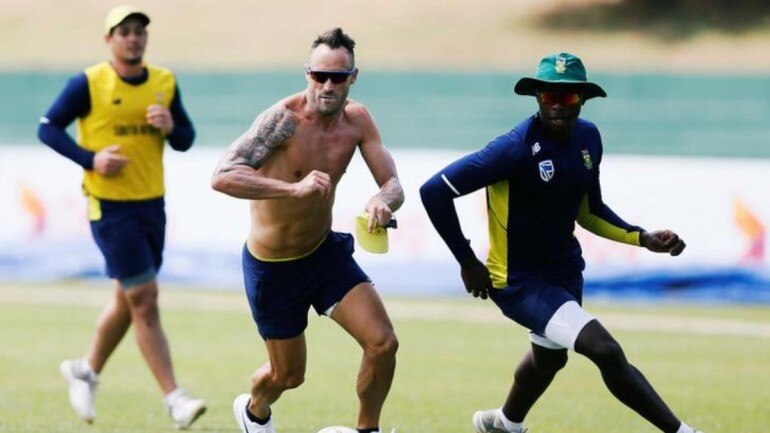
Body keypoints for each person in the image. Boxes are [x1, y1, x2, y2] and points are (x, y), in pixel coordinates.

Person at [420, 53, 704, 433]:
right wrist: (467, 260)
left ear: (583, 100)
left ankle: (504, 424)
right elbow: (434, 191)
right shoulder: (513, 148)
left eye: (568, 97)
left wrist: (642, 237)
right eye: (548, 95)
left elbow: (590, 211)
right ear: (537, 96)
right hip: (518, 281)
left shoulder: (588, 138)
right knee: (605, 350)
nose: (557, 104)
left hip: (565, 271)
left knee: (549, 360)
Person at [211, 28, 403, 433]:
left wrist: (381, 201)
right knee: (288, 377)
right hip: (274, 268)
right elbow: (222, 176)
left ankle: (368, 430)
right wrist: (291, 189)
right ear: (307, 74)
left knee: (383, 343)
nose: (328, 85)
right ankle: (253, 409)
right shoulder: (282, 120)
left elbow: (393, 184)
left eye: (338, 77)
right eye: (320, 76)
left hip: (323, 255)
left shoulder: (358, 120)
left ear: (354, 76)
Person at [37, 5, 206, 429]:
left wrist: (170, 125)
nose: (133, 38)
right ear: (109, 39)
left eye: (139, 32)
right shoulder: (89, 83)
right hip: (109, 209)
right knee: (145, 299)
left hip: (152, 206)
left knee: (127, 298)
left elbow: (186, 139)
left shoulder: (164, 82)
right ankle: (175, 398)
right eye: (124, 31)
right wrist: (90, 159)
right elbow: (47, 127)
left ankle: (85, 370)